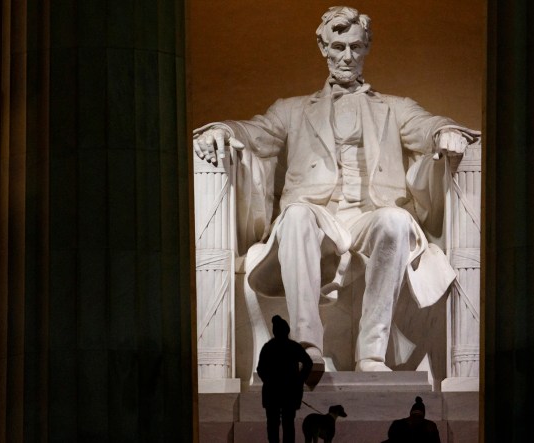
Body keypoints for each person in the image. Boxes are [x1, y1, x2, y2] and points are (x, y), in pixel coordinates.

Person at [193, 6, 480, 372]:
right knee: (295, 216)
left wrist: (446, 132)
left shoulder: (394, 108)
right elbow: (256, 132)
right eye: (339, 46)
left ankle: (372, 354)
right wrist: (224, 130)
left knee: (396, 220)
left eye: (356, 47)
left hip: (368, 218)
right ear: (323, 47)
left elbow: (427, 125)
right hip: (317, 218)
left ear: (366, 49)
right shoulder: (292, 110)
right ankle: (306, 346)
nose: (347, 56)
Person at [257, 315, 313, 443]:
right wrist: (299, 379)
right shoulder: (293, 346)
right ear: (287, 331)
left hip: (272, 392)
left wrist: (269, 381)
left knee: (272, 426)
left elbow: (260, 369)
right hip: (290, 391)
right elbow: (308, 363)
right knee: (288, 425)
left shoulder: (268, 347)